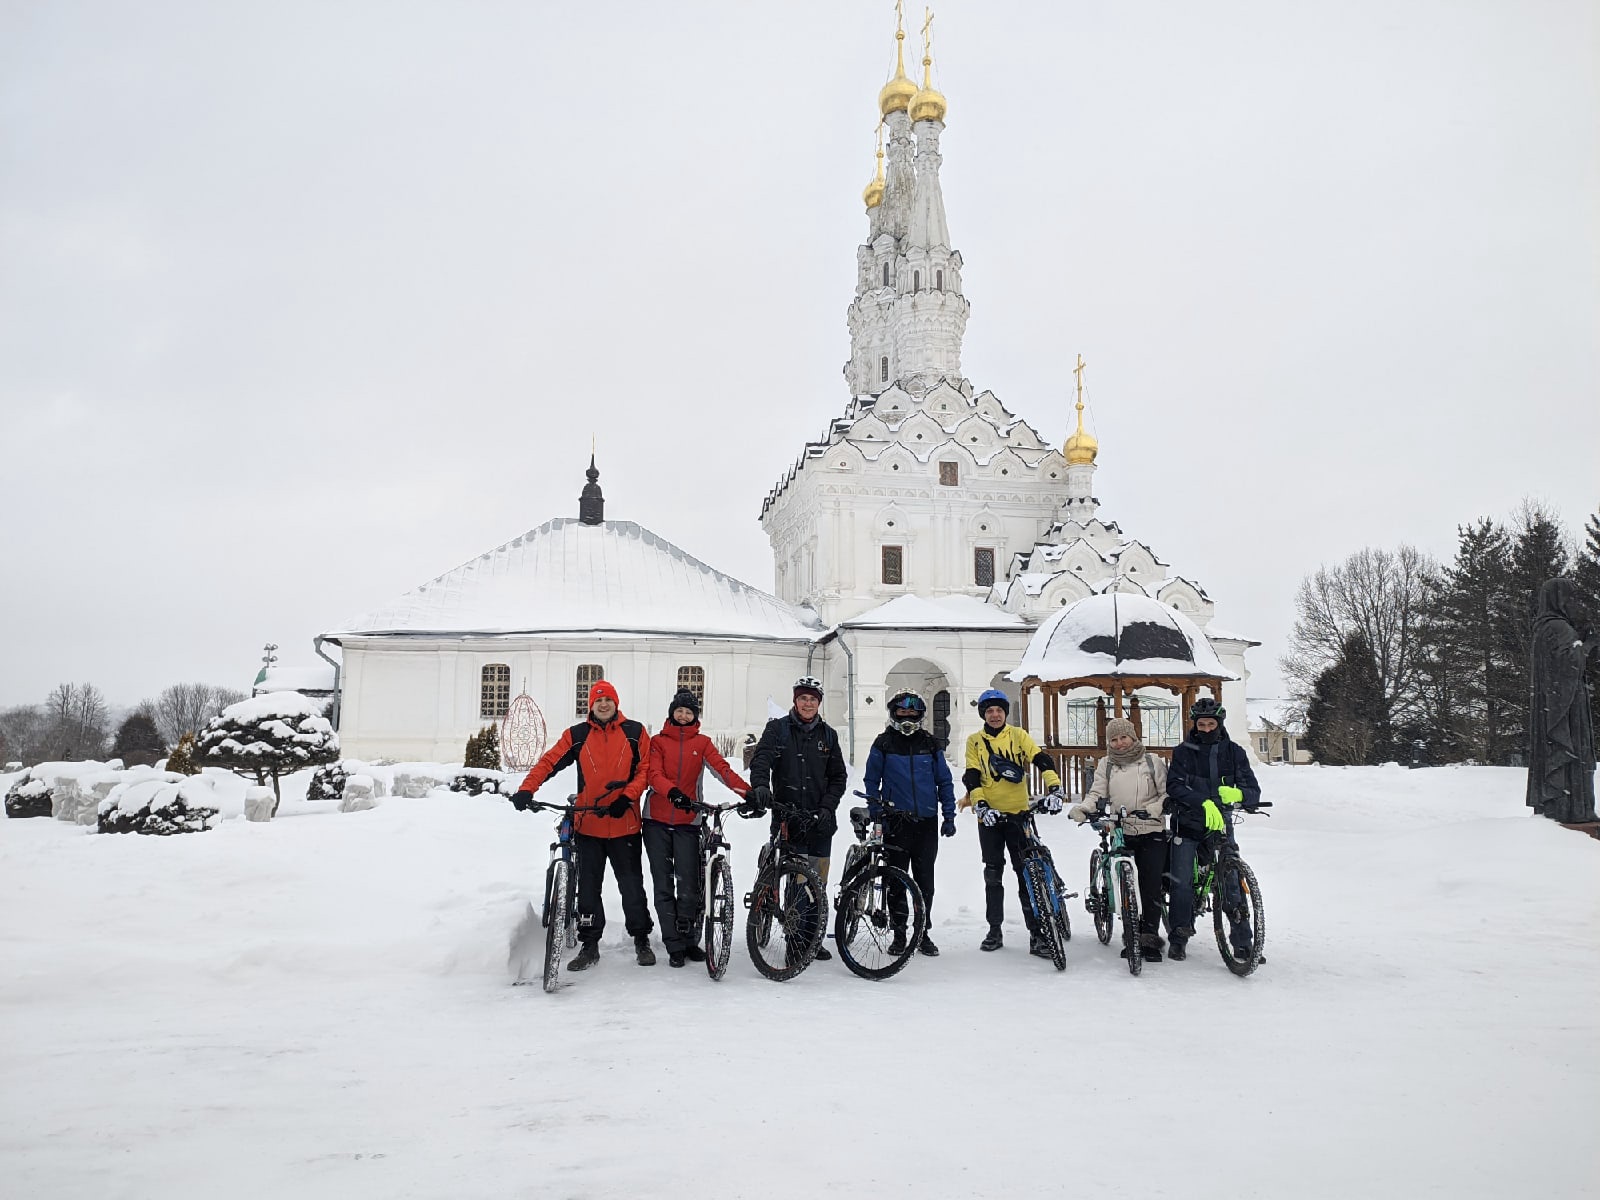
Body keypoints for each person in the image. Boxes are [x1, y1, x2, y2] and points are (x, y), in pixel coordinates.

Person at [509, 679, 657, 971]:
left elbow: (645, 770)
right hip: (588, 823)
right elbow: (549, 762)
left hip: (624, 823)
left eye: (608, 700)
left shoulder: (634, 732)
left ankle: (641, 938)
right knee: (588, 889)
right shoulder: (577, 735)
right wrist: (527, 789)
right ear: (591, 705)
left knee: (631, 887)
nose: (603, 705)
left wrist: (627, 797)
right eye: (598, 701)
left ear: (616, 703)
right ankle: (590, 945)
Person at [644, 688, 752, 968]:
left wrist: (748, 793)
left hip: (688, 821)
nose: (683, 715)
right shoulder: (657, 741)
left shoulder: (702, 743)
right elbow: (653, 774)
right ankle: (674, 945)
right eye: (679, 710)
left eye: (688, 711)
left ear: (695, 716)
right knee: (663, 883)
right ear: (672, 713)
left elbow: (723, 770)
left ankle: (690, 939)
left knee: (690, 884)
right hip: (655, 820)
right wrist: (673, 793)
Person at [747, 675, 849, 961]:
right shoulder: (777, 729)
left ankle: (812, 937)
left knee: (817, 881)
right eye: (803, 698)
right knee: (795, 880)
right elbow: (762, 760)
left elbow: (838, 776)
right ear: (795, 701)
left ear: (818, 703)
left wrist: (828, 807)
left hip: (820, 820)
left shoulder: (828, 735)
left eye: (813, 699)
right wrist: (761, 786)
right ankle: (795, 940)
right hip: (788, 815)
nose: (807, 703)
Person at [958, 688, 1065, 956]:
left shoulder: (1018, 736)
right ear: (983, 714)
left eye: (999, 710)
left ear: (1005, 713)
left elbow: (1040, 759)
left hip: (1018, 816)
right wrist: (981, 805)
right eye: (989, 711)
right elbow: (972, 776)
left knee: (1026, 875)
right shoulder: (975, 741)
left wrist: (1055, 788)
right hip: (990, 818)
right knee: (993, 876)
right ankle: (994, 930)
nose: (995, 715)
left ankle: (1036, 933)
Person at [1164, 697, 1261, 961]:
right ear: (1195, 725)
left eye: (1211, 724)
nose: (1206, 729)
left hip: (1221, 824)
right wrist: (1201, 801)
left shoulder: (1234, 752)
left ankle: (1242, 942)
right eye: (1202, 724)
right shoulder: (1183, 752)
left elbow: (1253, 791)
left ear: (1219, 723)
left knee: (1231, 882)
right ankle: (1179, 937)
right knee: (1182, 882)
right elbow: (1174, 786)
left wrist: (1239, 792)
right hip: (1188, 822)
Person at [863, 690, 957, 956]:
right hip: (896, 822)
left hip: (926, 821)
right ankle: (900, 933)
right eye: (902, 712)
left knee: (925, 881)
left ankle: (922, 932)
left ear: (920, 715)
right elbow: (872, 780)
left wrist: (948, 814)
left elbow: (944, 781)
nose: (907, 716)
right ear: (894, 714)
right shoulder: (883, 743)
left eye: (912, 712)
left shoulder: (930, 743)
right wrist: (875, 808)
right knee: (896, 881)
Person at [1069, 717, 1169, 962]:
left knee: (1150, 885)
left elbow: (1166, 794)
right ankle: (1132, 935)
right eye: (1114, 739)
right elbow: (1097, 791)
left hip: (1151, 828)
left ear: (1133, 737)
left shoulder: (1152, 761)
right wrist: (1084, 808)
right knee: (1124, 884)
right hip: (1121, 830)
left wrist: (1154, 810)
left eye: (1123, 737)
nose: (1120, 743)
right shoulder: (1107, 764)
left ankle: (1150, 937)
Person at [1525, 577, 1599, 824]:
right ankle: (1575, 809)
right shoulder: (1559, 628)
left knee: (1568, 755)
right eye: (1568, 597)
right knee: (1576, 754)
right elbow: (1571, 664)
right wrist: (1589, 644)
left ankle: (1560, 804)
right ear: (1557, 599)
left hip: (1554, 704)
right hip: (1567, 707)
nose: (1571, 603)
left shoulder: (1542, 629)